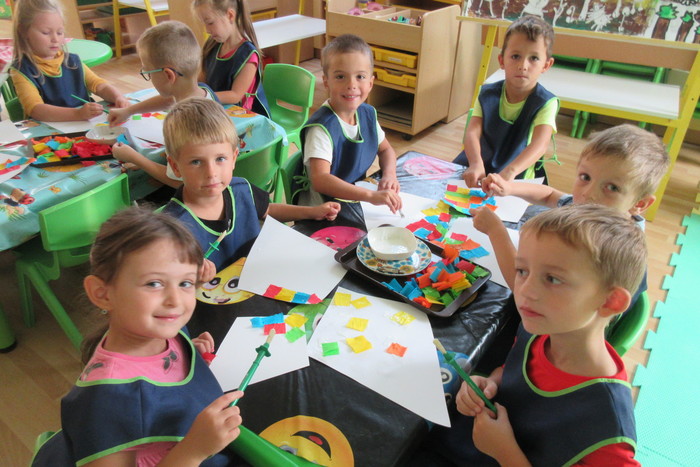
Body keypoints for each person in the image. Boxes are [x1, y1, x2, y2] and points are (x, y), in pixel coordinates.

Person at [31, 207, 243, 466]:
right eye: (154, 283)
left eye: (185, 283)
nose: (175, 300)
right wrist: (194, 450)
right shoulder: (104, 401)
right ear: (102, 294)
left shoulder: (161, 329)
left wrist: (187, 355)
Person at [435, 204, 644, 465]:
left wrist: (505, 453)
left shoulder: (608, 430)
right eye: (522, 271)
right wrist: (491, 383)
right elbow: (513, 370)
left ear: (610, 302)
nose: (525, 290)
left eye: (552, 279)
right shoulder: (541, 328)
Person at [471, 124, 669, 301]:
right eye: (585, 177)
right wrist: (509, 187)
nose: (588, 193)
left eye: (612, 188)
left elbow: (524, 289)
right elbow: (549, 195)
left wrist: (496, 231)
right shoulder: (593, 211)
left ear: (640, 203)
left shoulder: (598, 248)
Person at [160, 98, 340, 283]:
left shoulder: (241, 189)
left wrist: (311, 212)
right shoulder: (171, 231)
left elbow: (267, 209)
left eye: (220, 159)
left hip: (258, 283)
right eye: (196, 162)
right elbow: (169, 289)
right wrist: (195, 281)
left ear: (234, 158)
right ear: (175, 166)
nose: (211, 173)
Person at [300, 34, 402, 214]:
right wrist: (370, 196)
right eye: (340, 76)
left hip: (354, 200)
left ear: (371, 83)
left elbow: (386, 150)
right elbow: (321, 179)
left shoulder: (367, 114)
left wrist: (389, 175)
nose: (351, 85)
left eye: (360, 76)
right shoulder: (321, 128)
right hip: (323, 211)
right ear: (326, 82)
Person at [454, 15, 558, 187]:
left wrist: (509, 173)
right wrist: (475, 163)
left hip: (516, 174)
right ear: (502, 60)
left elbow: (540, 145)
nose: (523, 65)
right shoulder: (487, 94)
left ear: (546, 65)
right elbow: (472, 133)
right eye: (515, 56)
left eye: (534, 58)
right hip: (478, 166)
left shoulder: (546, 102)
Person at [10, 0, 128, 122]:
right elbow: (36, 110)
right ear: (23, 31)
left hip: (84, 125)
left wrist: (118, 97)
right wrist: (77, 114)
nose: (55, 39)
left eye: (60, 32)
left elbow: (99, 86)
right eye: (46, 32)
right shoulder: (21, 70)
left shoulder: (72, 61)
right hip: (49, 131)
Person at [194, 0, 269, 116]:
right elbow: (201, 81)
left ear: (230, 15)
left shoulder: (248, 54)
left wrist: (204, 95)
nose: (207, 30)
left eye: (210, 23)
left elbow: (235, 95)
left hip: (247, 118)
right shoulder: (211, 45)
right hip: (217, 110)